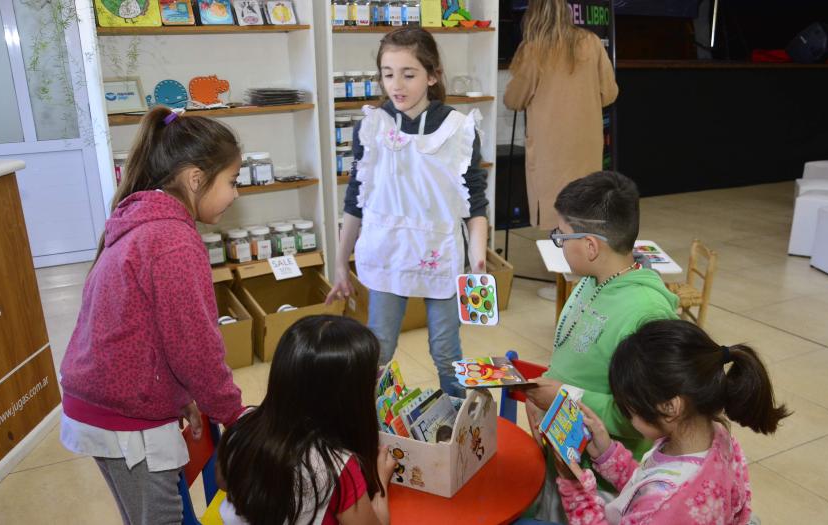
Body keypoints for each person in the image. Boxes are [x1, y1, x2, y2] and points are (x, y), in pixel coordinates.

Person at [59, 106, 246, 524]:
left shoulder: (144, 218)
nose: (236, 194)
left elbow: (148, 333)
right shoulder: (173, 241)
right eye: (232, 181)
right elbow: (195, 346)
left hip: (110, 402)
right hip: (124, 418)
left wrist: (185, 396)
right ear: (196, 179)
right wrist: (234, 413)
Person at [326, 27, 489, 399]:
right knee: (378, 349)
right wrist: (340, 262)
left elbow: (475, 204)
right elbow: (356, 199)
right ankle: (369, 424)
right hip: (388, 250)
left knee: (446, 352)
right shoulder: (372, 126)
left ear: (432, 75)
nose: (396, 85)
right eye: (387, 73)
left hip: (440, 252)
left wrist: (478, 258)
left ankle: (459, 429)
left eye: (408, 74)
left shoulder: (458, 129)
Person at [523, 171, 678, 521]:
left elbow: (651, 411)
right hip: (566, 454)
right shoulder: (593, 279)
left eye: (562, 236)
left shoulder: (646, 312)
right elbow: (574, 355)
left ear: (591, 246)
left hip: (605, 477)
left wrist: (563, 398)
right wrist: (542, 399)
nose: (559, 244)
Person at [555, 319, 790, 524]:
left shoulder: (669, 507)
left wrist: (575, 490)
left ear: (670, 408)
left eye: (629, 410)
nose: (628, 417)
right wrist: (607, 453)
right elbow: (650, 484)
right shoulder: (714, 435)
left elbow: (659, 500)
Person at [216, 316, 396, 525]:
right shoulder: (337, 467)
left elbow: (222, 482)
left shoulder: (241, 423)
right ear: (349, 398)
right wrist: (382, 479)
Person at [504, 0, 617, 229]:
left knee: (555, 208)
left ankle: (562, 257)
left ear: (533, 14)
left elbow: (514, 99)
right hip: (586, 143)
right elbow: (610, 93)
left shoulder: (533, 49)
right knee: (585, 207)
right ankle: (583, 258)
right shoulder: (592, 43)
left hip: (550, 149)